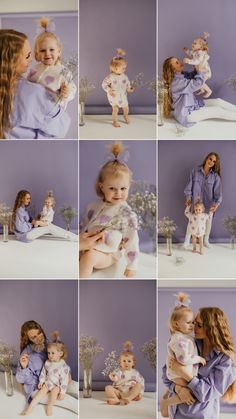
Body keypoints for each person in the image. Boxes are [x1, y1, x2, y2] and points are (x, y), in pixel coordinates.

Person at [161, 306, 236, 418]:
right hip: (175, 413)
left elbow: (207, 393)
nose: (193, 327)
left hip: (200, 415)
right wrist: (178, 389)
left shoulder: (225, 360)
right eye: (194, 323)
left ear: (212, 329)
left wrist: (184, 374)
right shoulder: (188, 344)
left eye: (199, 325)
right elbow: (166, 375)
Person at [79, 142, 139, 278]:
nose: (118, 193)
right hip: (87, 246)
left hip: (109, 252)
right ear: (102, 187)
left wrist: (132, 265)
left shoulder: (126, 213)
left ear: (129, 186)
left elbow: (132, 239)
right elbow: (84, 228)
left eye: (123, 188)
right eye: (112, 188)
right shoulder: (92, 207)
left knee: (89, 258)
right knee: (80, 256)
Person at [0, 29, 70, 139]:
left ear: (59, 51)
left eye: (52, 49)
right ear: (13, 61)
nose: (31, 59)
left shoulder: (60, 73)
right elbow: (62, 126)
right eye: (27, 56)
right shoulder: (33, 91)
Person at [160, 292, 206, 415]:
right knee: (192, 392)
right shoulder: (179, 339)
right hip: (178, 374)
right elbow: (183, 359)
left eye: (193, 323)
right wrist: (198, 359)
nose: (192, 326)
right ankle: (166, 403)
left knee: (190, 391)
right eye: (188, 323)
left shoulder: (186, 337)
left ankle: (166, 398)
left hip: (180, 373)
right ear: (176, 324)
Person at [162, 56, 236, 127]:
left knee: (218, 101)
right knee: (217, 110)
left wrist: (196, 65)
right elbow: (197, 84)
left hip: (193, 106)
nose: (180, 62)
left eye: (178, 60)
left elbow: (193, 75)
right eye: (177, 63)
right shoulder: (176, 83)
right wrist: (199, 70)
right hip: (187, 114)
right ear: (173, 70)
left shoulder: (182, 75)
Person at [28, 17, 76, 110]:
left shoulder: (63, 71)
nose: (47, 53)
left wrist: (67, 92)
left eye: (51, 50)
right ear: (37, 54)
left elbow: (72, 88)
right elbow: (28, 86)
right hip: (34, 111)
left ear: (59, 51)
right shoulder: (34, 69)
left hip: (53, 112)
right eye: (42, 50)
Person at [21, 331, 70, 416]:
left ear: (60, 354)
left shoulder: (63, 366)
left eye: (53, 353)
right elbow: (43, 372)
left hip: (57, 385)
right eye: (48, 353)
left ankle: (49, 407)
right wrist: (41, 381)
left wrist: (62, 392)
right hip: (48, 383)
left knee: (54, 392)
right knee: (38, 395)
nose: (50, 355)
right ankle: (29, 408)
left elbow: (64, 380)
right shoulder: (47, 362)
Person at [183, 152, 222, 248]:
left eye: (214, 161)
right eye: (210, 159)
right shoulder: (195, 171)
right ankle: (187, 241)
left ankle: (206, 240)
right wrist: (188, 197)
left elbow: (218, 193)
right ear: (206, 158)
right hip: (196, 203)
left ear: (215, 164)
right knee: (192, 220)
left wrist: (216, 204)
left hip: (209, 204)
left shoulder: (215, 177)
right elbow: (189, 186)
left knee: (208, 222)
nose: (211, 162)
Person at [12, 190, 77, 242]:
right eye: (27, 199)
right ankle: (74, 237)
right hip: (24, 235)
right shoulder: (19, 211)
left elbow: (28, 221)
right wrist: (32, 224)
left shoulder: (23, 209)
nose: (29, 200)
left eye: (29, 198)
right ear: (22, 199)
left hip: (28, 232)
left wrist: (36, 220)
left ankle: (73, 237)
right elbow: (20, 228)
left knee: (50, 225)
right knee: (48, 227)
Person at [105, 340, 144, 405]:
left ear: (133, 363)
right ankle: (115, 399)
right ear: (120, 362)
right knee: (108, 388)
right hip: (119, 392)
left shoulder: (136, 373)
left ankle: (129, 399)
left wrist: (140, 394)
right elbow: (114, 376)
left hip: (130, 392)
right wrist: (113, 377)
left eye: (129, 361)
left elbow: (141, 383)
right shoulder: (118, 371)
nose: (126, 363)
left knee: (139, 385)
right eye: (124, 361)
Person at [102, 49, 134, 127]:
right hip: (114, 96)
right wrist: (109, 90)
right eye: (123, 68)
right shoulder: (110, 77)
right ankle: (115, 121)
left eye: (125, 68)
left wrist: (129, 89)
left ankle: (126, 116)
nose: (124, 69)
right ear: (115, 68)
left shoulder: (125, 76)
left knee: (126, 107)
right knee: (115, 109)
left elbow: (127, 84)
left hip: (123, 96)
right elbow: (104, 84)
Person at [183, 32, 212, 97]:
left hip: (205, 72)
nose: (192, 44)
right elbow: (191, 54)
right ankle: (202, 90)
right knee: (198, 81)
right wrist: (187, 51)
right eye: (193, 42)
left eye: (195, 43)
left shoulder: (201, 53)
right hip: (200, 71)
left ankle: (209, 91)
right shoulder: (195, 52)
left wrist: (189, 61)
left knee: (200, 82)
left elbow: (197, 61)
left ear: (201, 46)